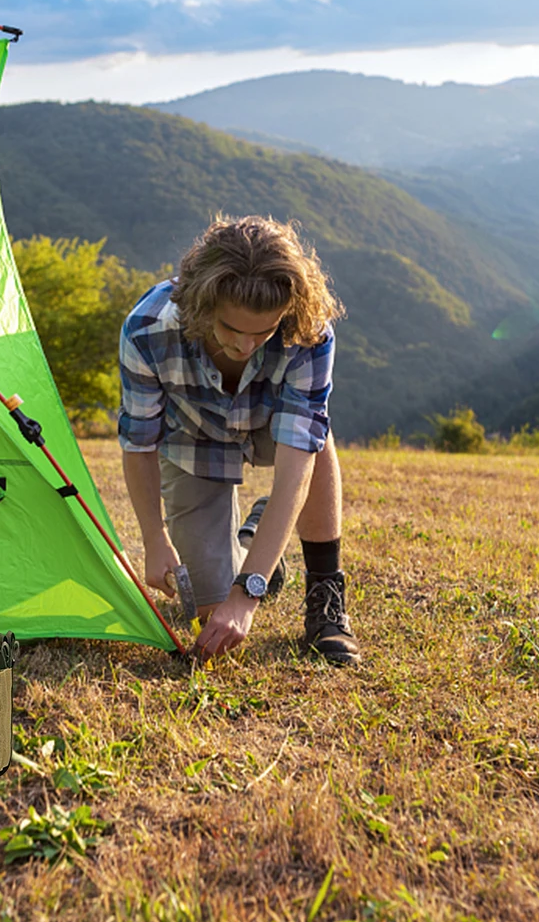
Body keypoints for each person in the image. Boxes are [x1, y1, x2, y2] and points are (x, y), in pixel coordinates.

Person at [118, 215, 360, 664]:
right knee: (211, 610)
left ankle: (325, 599)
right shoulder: (146, 330)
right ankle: (257, 543)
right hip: (192, 442)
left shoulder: (309, 331)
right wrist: (154, 538)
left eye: (263, 333)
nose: (247, 347)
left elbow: (295, 466)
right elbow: (139, 443)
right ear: (202, 305)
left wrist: (246, 598)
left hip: (271, 427)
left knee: (314, 441)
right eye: (231, 330)